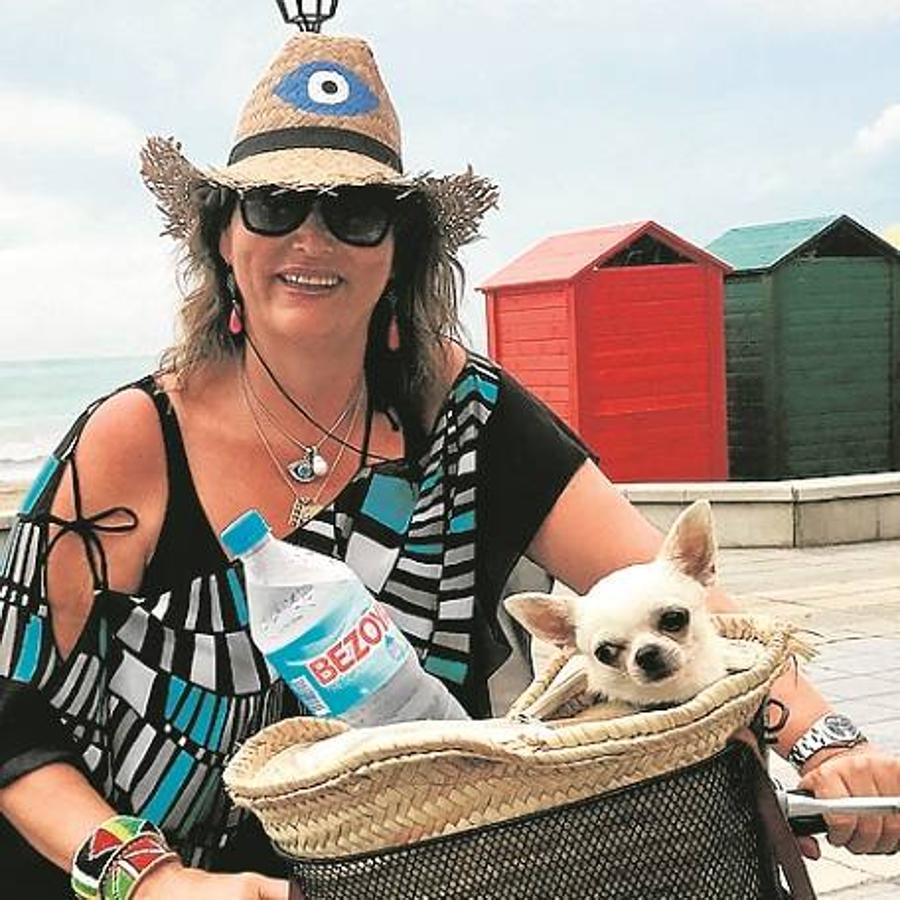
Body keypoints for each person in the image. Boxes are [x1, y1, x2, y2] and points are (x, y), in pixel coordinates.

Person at [0, 27, 898, 900]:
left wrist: (824, 738)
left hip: (412, 871)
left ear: (398, 252)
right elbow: (10, 719)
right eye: (274, 204)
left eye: (353, 212)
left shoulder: (468, 415)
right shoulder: (132, 439)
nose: (311, 240)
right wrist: (156, 882)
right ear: (224, 240)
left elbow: (665, 589)